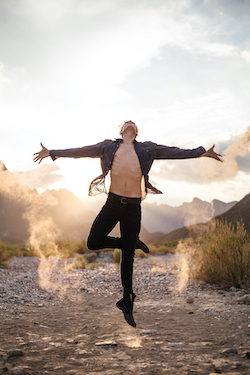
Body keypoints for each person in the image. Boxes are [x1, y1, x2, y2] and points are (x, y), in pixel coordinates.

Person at [33, 120, 222, 327]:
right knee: (93, 242)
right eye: (126, 123)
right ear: (121, 131)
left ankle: (128, 299)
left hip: (133, 206)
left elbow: (174, 152)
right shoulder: (107, 146)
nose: (130, 123)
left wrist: (201, 152)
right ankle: (130, 242)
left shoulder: (147, 148)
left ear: (136, 131)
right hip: (112, 203)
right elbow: (82, 151)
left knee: (127, 258)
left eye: (133, 123)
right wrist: (52, 152)